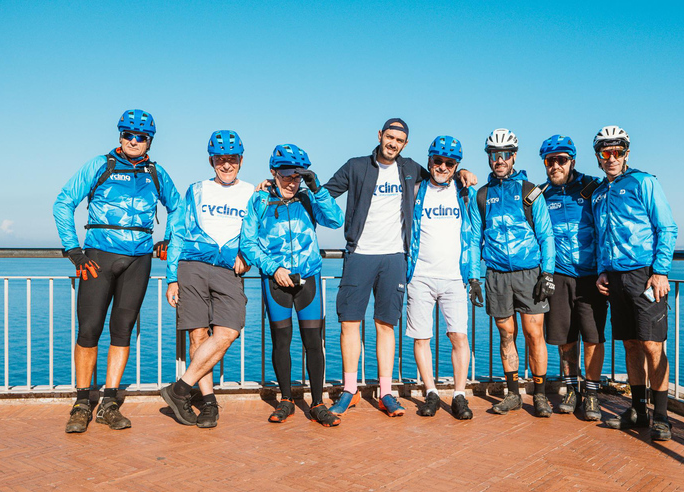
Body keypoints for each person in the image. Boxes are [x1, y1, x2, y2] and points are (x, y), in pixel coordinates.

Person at [322, 118, 477, 419]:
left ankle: (386, 392)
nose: (393, 143)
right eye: (389, 137)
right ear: (380, 135)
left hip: (394, 257)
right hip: (360, 254)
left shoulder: (410, 169)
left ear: (405, 144)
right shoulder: (356, 166)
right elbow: (324, 194)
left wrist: (466, 172)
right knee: (349, 323)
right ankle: (349, 389)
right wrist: (279, 191)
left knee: (386, 325)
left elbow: (444, 174)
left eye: (399, 140)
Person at [54, 109, 181, 433]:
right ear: (120, 136)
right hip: (98, 256)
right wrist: (73, 250)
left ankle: (109, 402)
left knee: (122, 330)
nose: (134, 141)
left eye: (140, 137)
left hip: (139, 259)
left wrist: (168, 238)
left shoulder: (156, 172)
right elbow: (64, 201)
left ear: (149, 141)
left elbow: (178, 207)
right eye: (128, 135)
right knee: (89, 329)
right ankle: (82, 402)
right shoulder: (101, 165)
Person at [239, 144, 344, 427]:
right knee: (281, 342)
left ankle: (318, 404)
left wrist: (317, 188)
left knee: (313, 343)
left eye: (298, 177)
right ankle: (286, 400)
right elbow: (247, 243)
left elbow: (336, 220)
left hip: (308, 280)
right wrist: (274, 269)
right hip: (277, 283)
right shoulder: (259, 201)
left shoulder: (309, 199)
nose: (292, 182)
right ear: (274, 172)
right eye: (286, 175)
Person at [160, 130, 254, 428]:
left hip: (229, 270)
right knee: (198, 336)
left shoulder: (253, 192)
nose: (226, 166)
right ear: (211, 160)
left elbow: (258, 232)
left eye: (232, 159)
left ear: (241, 160)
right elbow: (176, 233)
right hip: (192, 265)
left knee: (228, 332)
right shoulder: (196, 190)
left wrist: (249, 258)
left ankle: (179, 389)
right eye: (220, 159)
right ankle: (209, 402)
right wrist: (172, 276)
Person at [591, 125, 678, 441]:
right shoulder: (599, 193)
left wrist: (661, 270)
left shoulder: (644, 182)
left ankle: (662, 417)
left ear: (626, 153)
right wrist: (603, 270)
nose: (612, 157)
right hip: (615, 278)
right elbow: (602, 237)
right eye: (605, 152)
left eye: (617, 151)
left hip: (645, 275)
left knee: (653, 346)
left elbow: (666, 227)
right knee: (629, 343)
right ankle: (638, 409)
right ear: (599, 156)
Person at [472, 128, 556, 418]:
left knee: (535, 334)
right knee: (506, 334)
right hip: (496, 275)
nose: (500, 159)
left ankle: (541, 395)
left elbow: (546, 235)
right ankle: (512, 394)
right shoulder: (482, 196)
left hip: (529, 273)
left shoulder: (530, 191)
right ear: (489, 157)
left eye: (505, 154)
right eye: (494, 154)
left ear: (514, 156)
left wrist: (548, 273)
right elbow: (473, 239)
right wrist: (473, 277)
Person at [406, 136, 481, 420]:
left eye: (450, 163)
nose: (443, 167)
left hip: (453, 278)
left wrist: (474, 276)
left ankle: (460, 395)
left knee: (458, 336)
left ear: (456, 166)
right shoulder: (414, 192)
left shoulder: (465, 193)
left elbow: (473, 236)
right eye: (438, 161)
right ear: (430, 161)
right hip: (420, 276)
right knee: (422, 338)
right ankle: (431, 392)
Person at [539, 135, 607, 420]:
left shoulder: (593, 187)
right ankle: (571, 389)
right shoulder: (540, 194)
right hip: (560, 276)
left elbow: (610, 226)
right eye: (550, 161)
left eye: (561, 160)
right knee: (565, 339)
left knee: (593, 338)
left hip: (592, 275)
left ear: (572, 161)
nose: (555, 165)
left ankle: (591, 393)